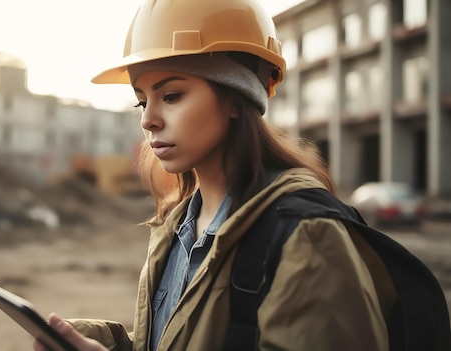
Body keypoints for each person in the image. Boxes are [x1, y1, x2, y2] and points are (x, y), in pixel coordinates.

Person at [34, 0, 392, 350]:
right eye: (142, 101)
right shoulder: (175, 228)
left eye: (171, 95)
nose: (147, 119)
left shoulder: (307, 237)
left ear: (236, 99)